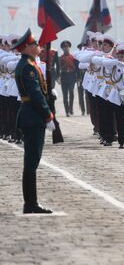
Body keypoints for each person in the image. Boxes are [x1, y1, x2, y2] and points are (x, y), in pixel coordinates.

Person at [13, 29, 55, 214]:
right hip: (32, 116)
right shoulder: (28, 67)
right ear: (28, 47)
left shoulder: (27, 64)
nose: (38, 46)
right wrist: (48, 115)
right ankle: (30, 203)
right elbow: (35, 94)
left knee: (31, 161)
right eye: (35, 44)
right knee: (31, 162)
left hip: (30, 115)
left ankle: (30, 202)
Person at [59, 40, 78, 117]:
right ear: (62, 48)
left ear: (69, 47)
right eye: (64, 47)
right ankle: (67, 111)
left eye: (67, 46)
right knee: (65, 95)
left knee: (71, 92)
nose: (66, 48)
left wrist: (78, 77)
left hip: (71, 77)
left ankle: (71, 108)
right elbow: (59, 68)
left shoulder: (73, 58)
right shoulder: (60, 58)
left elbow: (77, 68)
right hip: (64, 77)